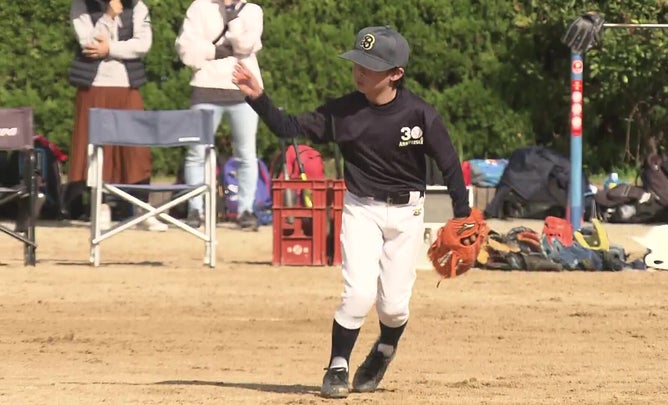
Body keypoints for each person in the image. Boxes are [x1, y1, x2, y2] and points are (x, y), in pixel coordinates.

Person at [232, 26, 472, 398]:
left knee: (393, 308)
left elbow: (450, 164)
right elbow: (289, 126)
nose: (360, 71)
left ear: (396, 74)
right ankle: (338, 366)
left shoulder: (420, 114)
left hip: (408, 215)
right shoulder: (343, 112)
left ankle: (383, 351)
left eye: (371, 65)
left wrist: (463, 215)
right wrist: (258, 97)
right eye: (358, 61)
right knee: (358, 294)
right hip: (362, 209)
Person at [66, 0, 167, 231]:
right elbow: (89, 43)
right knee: (95, 147)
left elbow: (143, 44)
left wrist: (110, 49)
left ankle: (144, 209)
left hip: (126, 86)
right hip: (94, 86)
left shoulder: (138, 7)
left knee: (137, 150)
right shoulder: (81, 6)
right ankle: (101, 207)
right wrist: (109, 16)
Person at [175, 0, 263, 230]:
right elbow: (185, 49)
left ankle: (246, 210)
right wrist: (216, 50)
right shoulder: (199, 7)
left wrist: (233, 18)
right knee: (196, 152)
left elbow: (246, 45)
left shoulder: (252, 11)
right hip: (205, 88)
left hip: (243, 89)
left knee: (246, 154)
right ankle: (196, 209)